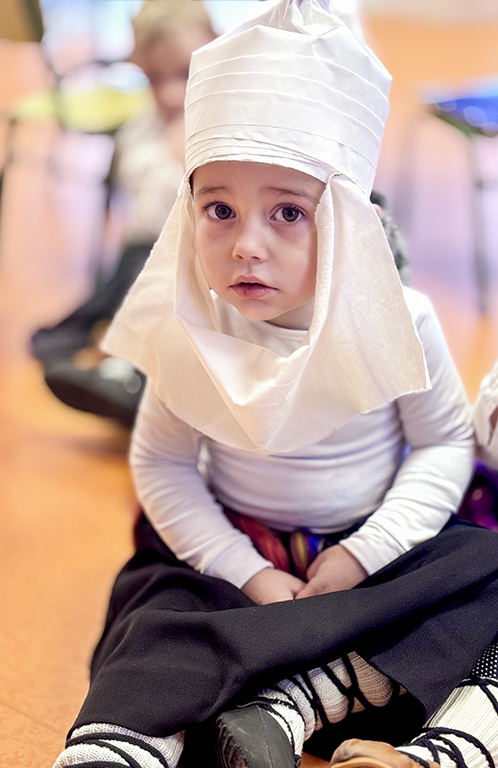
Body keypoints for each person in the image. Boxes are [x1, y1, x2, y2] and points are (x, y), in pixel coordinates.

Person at [53, 2, 498, 768]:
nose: (246, 246)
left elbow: (442, 445)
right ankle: (122, 746)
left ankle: (299, 697)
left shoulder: (401, 318)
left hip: (371, 559)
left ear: (349, 222)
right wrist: (248, 571)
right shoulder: (189, 322)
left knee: (480, 573)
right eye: (219, 210)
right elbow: (162, 462)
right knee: (157, 613)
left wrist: (364, 555)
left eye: (288, 212)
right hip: (238, 559)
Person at [31, 0, 216, 428]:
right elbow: (145, 213)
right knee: (133, 282)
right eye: (153, 79)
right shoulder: (145, 128)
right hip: (145, 254)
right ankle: (118, 372)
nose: (169, 94)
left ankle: (134, 383)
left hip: (204, 266)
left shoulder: (226, 121)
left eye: (185, 74)